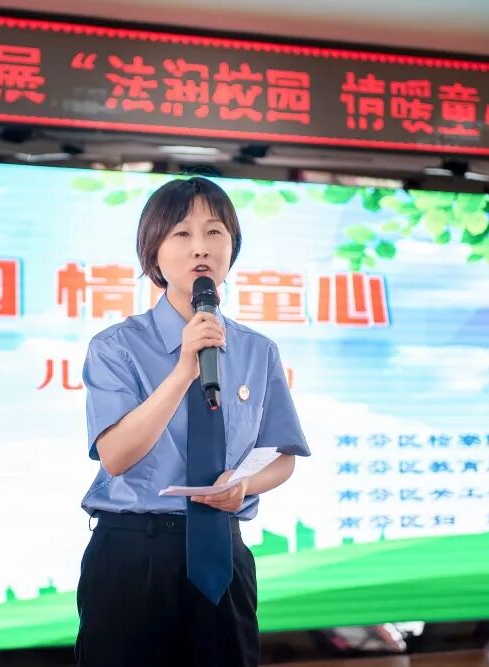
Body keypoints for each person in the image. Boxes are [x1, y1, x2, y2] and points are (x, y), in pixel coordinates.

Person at [75, 176, 311, 667]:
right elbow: (116, 456)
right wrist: (184, 369)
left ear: (232, 247)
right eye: (182, 233)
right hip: (134, 555)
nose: (200, 247)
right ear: (153, 252)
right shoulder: (115, 347)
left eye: (214, 232)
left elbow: (282, 456)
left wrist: (243, 487)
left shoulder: (257, 351)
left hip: (222, 553)